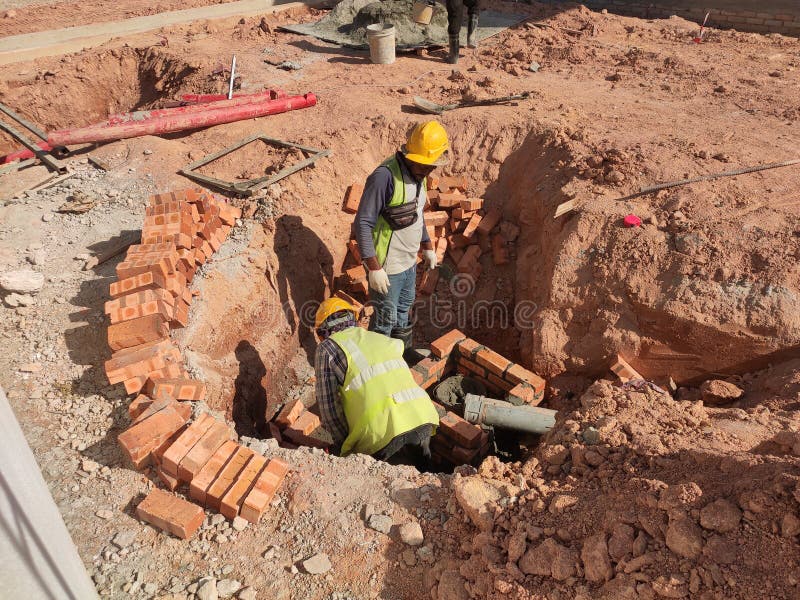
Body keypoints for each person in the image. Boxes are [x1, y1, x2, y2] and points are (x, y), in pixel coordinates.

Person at [354, 120, 449, 353]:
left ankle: (401, 357)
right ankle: (378, 366)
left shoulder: (418, 176)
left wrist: (427, 245)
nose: (428, 171)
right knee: (385, 320)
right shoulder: (384, 178)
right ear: (411, 157)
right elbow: (362, 223)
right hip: (387, 268)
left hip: (408, 262)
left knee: (404, 309)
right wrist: (373, 267)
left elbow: (416, 213)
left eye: (431, 166)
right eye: (425, 165)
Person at [313, 298, 440, 461]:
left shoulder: (326, 349)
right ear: (353, 320)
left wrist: (344, 445)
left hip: (381, 433)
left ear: (322, 332)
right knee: (423, 470)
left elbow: (329, 409)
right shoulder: (379, 338)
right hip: (422, 415)